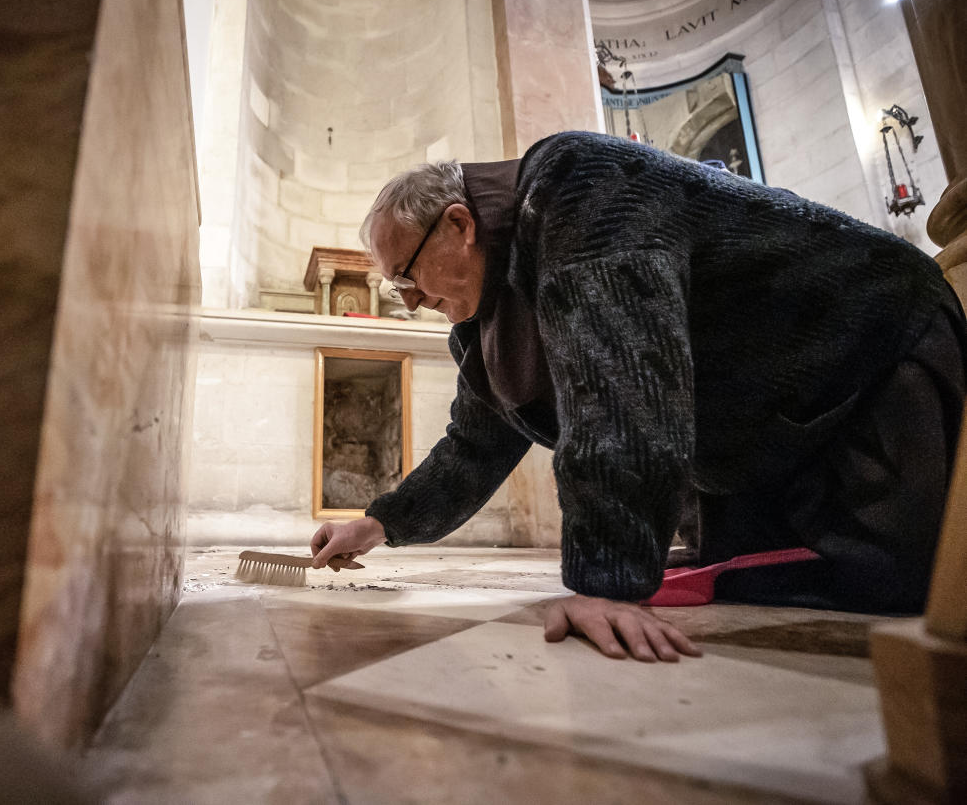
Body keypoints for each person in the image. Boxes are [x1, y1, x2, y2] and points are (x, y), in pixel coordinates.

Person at [308, 131, 967, 663]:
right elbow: (475, 446)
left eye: (408, 278)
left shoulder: (575, 184)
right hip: (773, 434)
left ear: (458, 224)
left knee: (915, 583)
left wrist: (608, 583)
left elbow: (620, 373)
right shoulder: (483, 323)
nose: (414, 302)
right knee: (761, 577)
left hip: (871, 352)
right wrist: (380, 523)